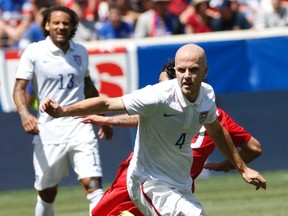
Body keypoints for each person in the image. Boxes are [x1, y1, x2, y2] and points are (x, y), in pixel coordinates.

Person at [40, 43, 266, 216]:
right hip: (149, 182)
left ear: (205, 72)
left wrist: (242, 169)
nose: (186, 76)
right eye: (181, 70)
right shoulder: (158, 95)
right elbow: (106, 103)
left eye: (193, 70)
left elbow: (216, 130)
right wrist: (63, 111)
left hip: (181, 184)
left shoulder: (207, 96)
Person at [12, 5, 113, 216]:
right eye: (56, 23)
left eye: (66, 23)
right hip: (49, 130)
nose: (61, 27)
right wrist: (24, 114)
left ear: (73, 27)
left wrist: (103, 118)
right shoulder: (35, 51)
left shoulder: (81, 52)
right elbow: (19, 88)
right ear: (47, 26)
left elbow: (88, 87)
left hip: (80, 125)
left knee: (93, 186)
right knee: (47, 193)